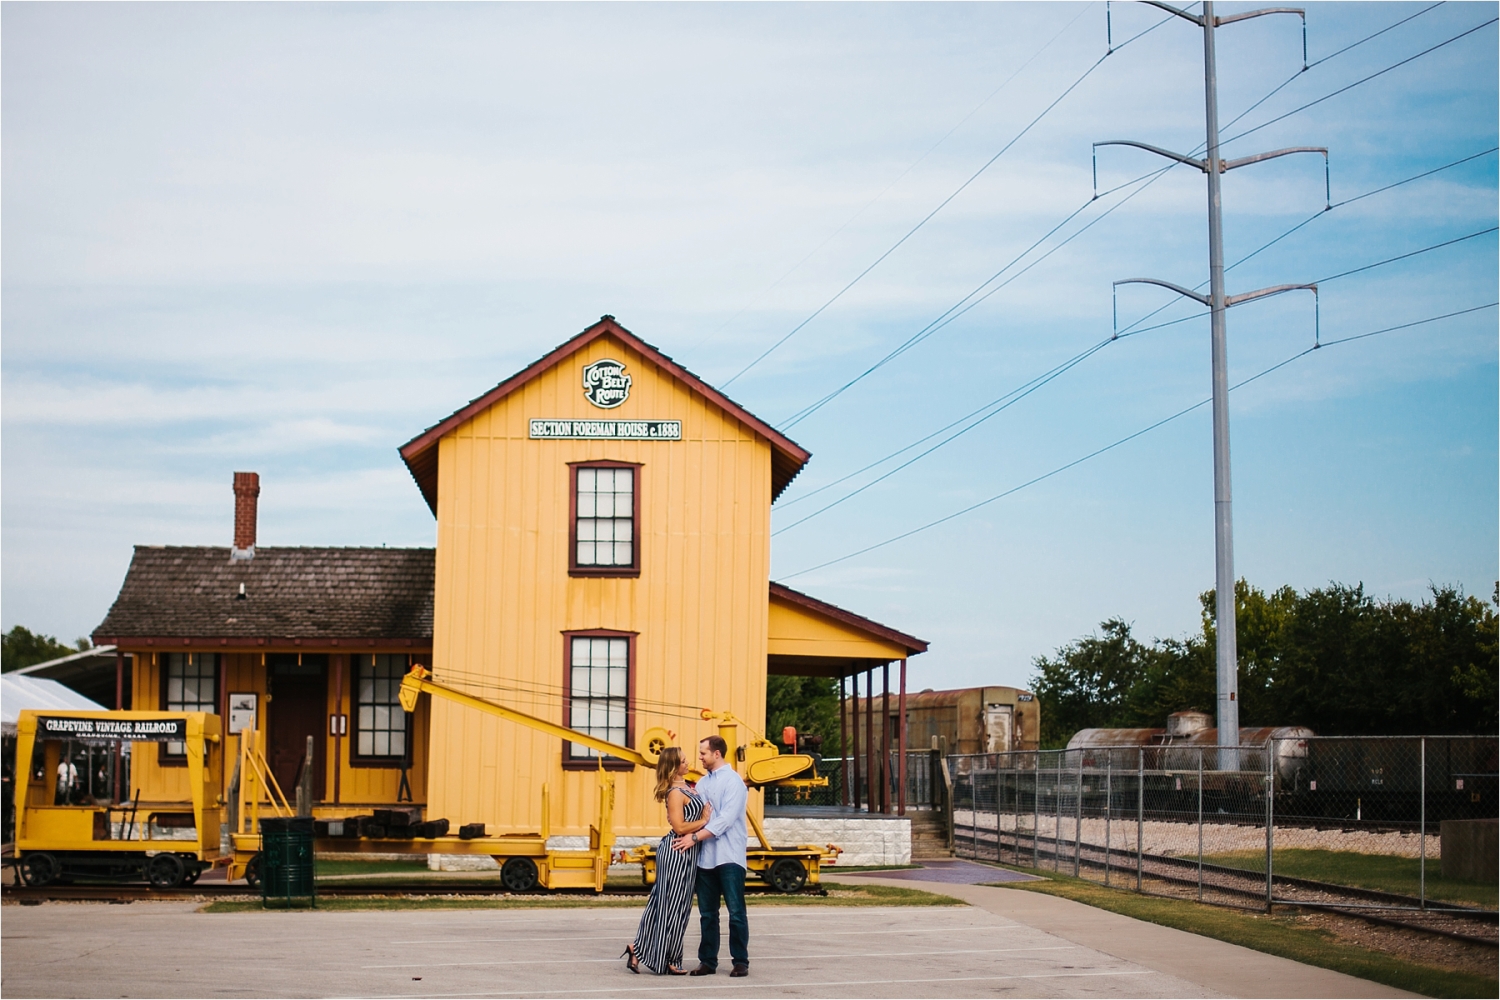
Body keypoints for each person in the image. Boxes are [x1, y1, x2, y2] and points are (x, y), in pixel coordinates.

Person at [624, 747, 712, 975]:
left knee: (677, 907)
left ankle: (638, 948)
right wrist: (703, 821)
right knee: (669, 906)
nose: (688, 762)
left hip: (689, 853)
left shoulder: (687, 787)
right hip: (676, 852)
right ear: (673, 766)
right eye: (683, 761)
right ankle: (668, 958)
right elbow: (679, 826)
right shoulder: (674, 792)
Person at [672, 734, 749, 978]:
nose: (700, 757)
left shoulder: (734, 782)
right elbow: (696, 815)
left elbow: (725, 820)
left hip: (729, 856)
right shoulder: (703, 784)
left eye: (703, 753)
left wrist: (694, 837)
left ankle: (740, 961)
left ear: (717, 753)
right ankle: (708, 961)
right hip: (705, 858)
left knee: (736, 912)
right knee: (707, 914)